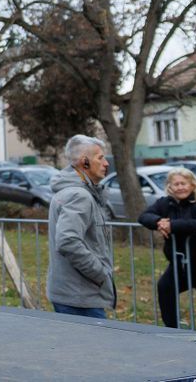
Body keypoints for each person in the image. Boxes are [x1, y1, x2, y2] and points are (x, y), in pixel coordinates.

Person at [137, 168, 196, 344]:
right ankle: (173, 334)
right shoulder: (165, 203)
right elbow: (144, 216)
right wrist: (158, 222)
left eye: (183, 183)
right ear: (170, 187)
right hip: (181, 265)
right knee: (165, 288)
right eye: (175, 184)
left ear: (192, 184)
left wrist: (172, 226)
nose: (180, 187)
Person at [46, 134, 115, 318]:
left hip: (75, 294)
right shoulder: (79, 195)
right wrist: (100, 274)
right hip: (80, 297)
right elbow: (68, 241)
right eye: (100, 158)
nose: (106, 163)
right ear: (85, 162)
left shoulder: (75, 191)